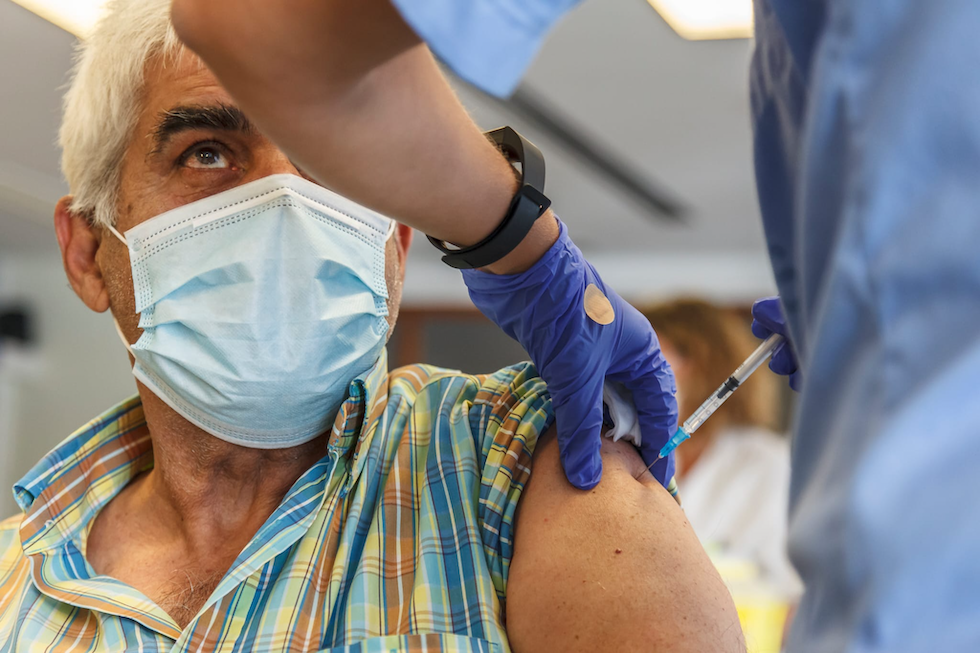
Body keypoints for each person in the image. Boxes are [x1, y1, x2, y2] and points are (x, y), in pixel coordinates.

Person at [170, 0, 980, 649]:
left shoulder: (508, 444)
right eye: (205, 156)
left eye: (315, 173)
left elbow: (264, 25)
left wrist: (526, 249)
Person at [0, 1, 743, 651]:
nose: (285, 204)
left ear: (395, 250)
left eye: (328, 165)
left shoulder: (510, 465)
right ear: (88, 252)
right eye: (208, 154)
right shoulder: (16, 579)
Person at [646, 299, 801, 599]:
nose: (627, 372)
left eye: (650, 354)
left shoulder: (767, 462)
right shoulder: (624, 452)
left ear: (701, 363)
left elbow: (792, 592)